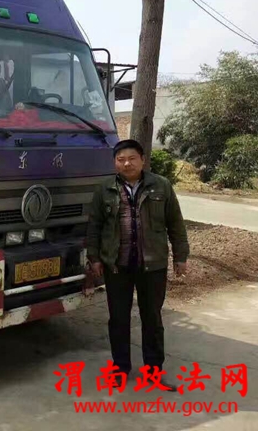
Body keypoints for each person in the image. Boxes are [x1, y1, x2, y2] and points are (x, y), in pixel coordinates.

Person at [85, 139, 189, 390]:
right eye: (120, 159)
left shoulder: (161, 186)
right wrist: (94, 258)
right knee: (118, 320)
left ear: (142, 160)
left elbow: (176, 224)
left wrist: (181, 256)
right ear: (115, 162)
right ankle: (120, 370)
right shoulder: (104, 189)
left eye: (132, 158)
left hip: (152, 266)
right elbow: (94, 227)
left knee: (152, 319)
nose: (126, 164)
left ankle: (153, 372)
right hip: (116, 266)